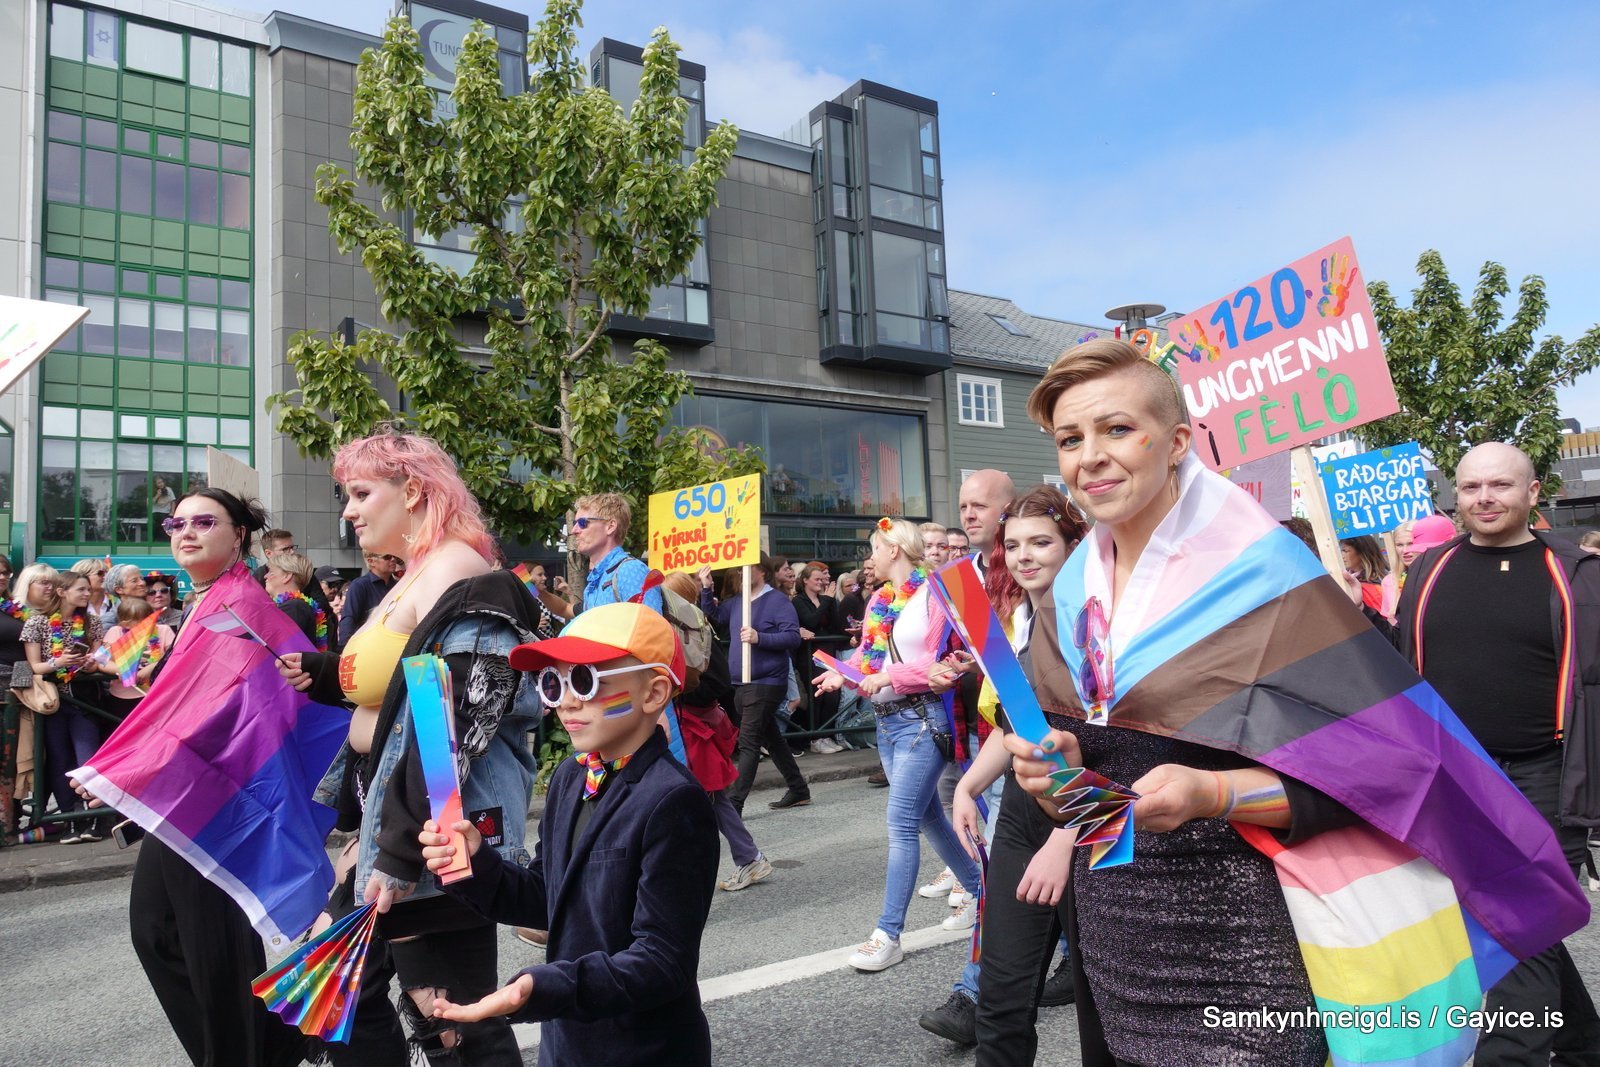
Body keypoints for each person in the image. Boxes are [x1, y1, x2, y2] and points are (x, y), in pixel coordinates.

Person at [1004, 339, 1588, 1065]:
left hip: (1248, 954)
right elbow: (1097, 807)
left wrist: (1215, 793)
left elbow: (1384, 772)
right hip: (1117, 946)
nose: (1089, 456)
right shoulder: (1068, 596)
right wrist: (1058, 779)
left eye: (1116, 429)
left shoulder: (1266, 575)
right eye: (1069, 439)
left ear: (1177, 442)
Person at [281, 432, 544, 1065]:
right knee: (410, 1007)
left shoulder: (458, 574)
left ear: (415, 491)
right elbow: (399, 687)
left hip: (432, 832)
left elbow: (452, 727)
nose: (349, 511)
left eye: (361, 493)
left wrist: (396, 852)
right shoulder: (419, 574)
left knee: (436, 1014)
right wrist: (325, 673)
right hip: (403, 825)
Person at [417, 602, 719, 1066]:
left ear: (654, 692)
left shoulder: (673, 800)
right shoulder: (571, 778)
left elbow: (662, 961)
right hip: (567, 1046)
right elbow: (548, 896)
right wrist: (476, 865)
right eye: (554, 684)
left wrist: (545, 986)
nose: (566, 702)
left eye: (585, 681)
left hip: (642, 1051)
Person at [1385, 441, 1600, 1062]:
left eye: (1500, 485)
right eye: (1471, 486)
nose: (1484, 498)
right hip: (1456, 778)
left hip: (1547, 776)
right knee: (1513, 922)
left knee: (1522, 918)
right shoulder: (1431, 570)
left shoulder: (1578, 574)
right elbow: (1399, 667)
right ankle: (1584, 1046)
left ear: (1533, 493)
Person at [125, 487, 311, 1067]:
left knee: (214, 949)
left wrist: (128, 763)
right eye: (175, 523)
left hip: (220, 797)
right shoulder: (205, 602)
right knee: (157, 932)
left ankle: (250, 1054)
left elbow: (220, 712)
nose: (185, 531)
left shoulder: (241, 607)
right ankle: (272, 1046)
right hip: (182, 791)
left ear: (239, 536)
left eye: (204, 522)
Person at [931, 486, 1087, 1052]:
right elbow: (1016, 723)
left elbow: (1122, 748)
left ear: (1073, 546)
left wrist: (1068, 834)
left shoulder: (1098, 624)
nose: (1025, 556)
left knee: (1104, 1006)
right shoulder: (1014, 620)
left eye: (1041, 542)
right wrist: (969, 786)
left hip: (1093, 821)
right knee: (1000, 1000)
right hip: (1024, 817)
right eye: (1014, 544)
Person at [814, 518, 983, 978]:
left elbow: (940, 663)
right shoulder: (881, 599)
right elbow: (869, 654)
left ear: (894, 549)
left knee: (901, 823)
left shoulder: (935, 593)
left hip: (922, 719)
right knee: (925, 817)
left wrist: (889, 676)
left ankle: (888, 935)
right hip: (887, 723)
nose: (870, 558)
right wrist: (842, 674)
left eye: (875, 549)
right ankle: (980, 892)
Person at [922, 469, 1017, 908]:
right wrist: (948, 667)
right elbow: (977, 651)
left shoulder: (1026, 564)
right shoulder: (958, 577)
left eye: (979, 505)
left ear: (1006, 510)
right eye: (963, 506)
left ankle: (991, 915)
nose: (969, 514)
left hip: (1028, 719)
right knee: (991, 819)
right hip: (979, 718)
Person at [662, 571, 771, 892]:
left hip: (694, 726)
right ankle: (746, 857)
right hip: (689, 723)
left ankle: (737, 860)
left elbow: (716, 682)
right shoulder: (687, 627)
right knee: (707, 798)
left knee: (702, 797)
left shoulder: (695, 629)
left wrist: (676, 690)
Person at [698, 555, 809, 811]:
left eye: (747, 567)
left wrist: (760, 638)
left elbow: (792, 637)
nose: (741, 572)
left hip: (767, 681)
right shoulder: (738, 601)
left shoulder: (777, 601)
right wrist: (706, 588)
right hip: (742, 682)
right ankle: (798, 789)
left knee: (748, 742)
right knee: (772, 739)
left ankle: (734, 803)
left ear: (762, 571)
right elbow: (715, 616)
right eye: (739, 568)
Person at [24, 569, 107, 843]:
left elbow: (99, 659)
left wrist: (91, 663)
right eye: (81, 589)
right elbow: (35, 666)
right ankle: (68, 820)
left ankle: (93, 817)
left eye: (88, 589)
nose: (87, 594)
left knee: (87, 759)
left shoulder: (92, 622)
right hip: (53, 703)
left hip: (84, 701)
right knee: (60, 761)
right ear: (62, 592)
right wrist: (57, 663)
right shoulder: (38, 622)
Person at [4, 562, 57, 834]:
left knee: (33, 755)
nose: (50, 588)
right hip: (13, 690)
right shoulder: (13, 611)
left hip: (33, 691)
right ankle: (10, 822)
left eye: (53, 583)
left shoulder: (49, 614)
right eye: (43, 582)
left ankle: (29, 818)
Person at [572, 493, 662, 613]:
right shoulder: (593, 584)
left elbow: (651, 623)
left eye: (583, 523)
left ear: (610, 526)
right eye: (574, 523)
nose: (574, 530)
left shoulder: (629, 570)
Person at [792, 563, 847, 753]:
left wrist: (830, 602)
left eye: (822, 579)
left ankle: (826, 734)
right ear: (805, 580)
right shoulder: (799, 601)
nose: (821, 582)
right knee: (817, 695)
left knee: (832, 696)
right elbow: (811, 622)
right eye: (816, 579)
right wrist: (826, 601)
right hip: (809, 654)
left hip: (828, 652)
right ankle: (815, 738)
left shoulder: (826, 599)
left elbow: (836, 625)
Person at [99, 596, 174, 716]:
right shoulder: (116, 632)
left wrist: (151, 668)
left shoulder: (163, 630)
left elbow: (173, 656)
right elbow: (102, 661)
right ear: (125, 624)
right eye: (141, 621)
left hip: (157, 693)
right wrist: (124, 670)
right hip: (123, 696)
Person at [264, 551, 329, 650]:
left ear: (287, 576)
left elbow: (276, 646)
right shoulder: (297, 605)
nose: (265, 576)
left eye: (271, 572)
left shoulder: (294, 607)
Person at [339, 551, 399, 635]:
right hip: (367, 639)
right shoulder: (359, 585)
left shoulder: (399, 585)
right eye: (387, 557)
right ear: (371, 561)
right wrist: (346, 642)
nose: (393, 559)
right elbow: (349, 618)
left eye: (395, 556)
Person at [1339, 534, 1389, 615]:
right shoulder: (1342, 580)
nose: (1341, 556)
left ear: (1362, 552)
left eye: (1345, 551)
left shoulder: (1383, 582)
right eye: (1340, 550)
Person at [101, 563, 148, 628]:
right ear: (119, 589)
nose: (142, 583)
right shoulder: (110, 619)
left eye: (142, 579)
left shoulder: (151, 610)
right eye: (134, 581)